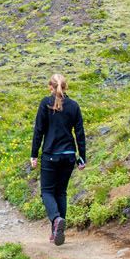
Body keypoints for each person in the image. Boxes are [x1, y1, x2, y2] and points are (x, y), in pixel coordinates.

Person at [29, 73, 86, 246]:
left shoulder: (45, 103)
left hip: (50, 155)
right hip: (69, 156)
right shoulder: (74, 106)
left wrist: (34, 154)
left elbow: (39, 130)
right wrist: (81, 157)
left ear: (50, 87)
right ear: (65, 86)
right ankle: (56, 231)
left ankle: (55, 220)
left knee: (47, 191)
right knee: (61, 192)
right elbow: (80, 133)